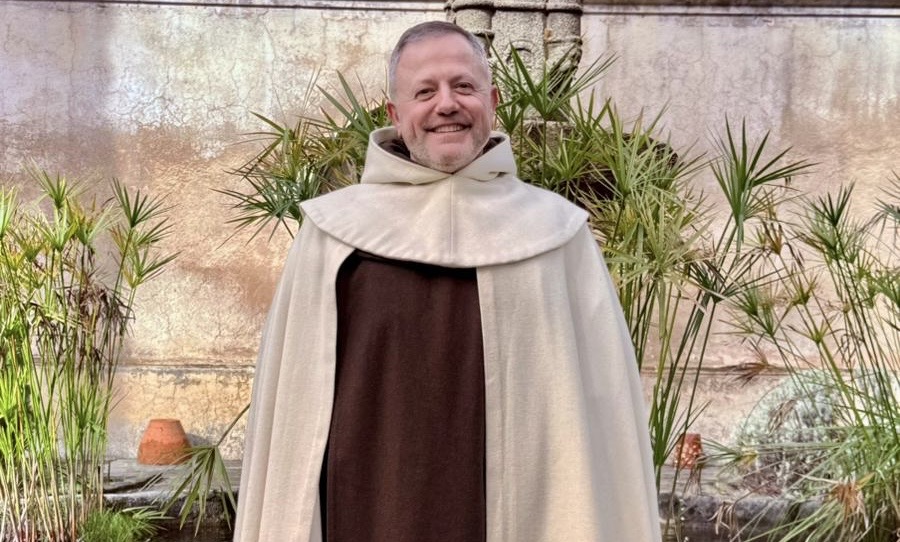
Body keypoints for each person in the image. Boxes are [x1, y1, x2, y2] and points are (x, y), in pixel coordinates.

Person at [233, 21, 661, 542]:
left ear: (492, 102)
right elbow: (293, 413)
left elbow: (601, 414)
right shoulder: (331, 234)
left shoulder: (557, 233)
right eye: (424, 91)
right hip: (368, 506)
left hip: (526, 512)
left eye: (463, 86)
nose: (447, 104)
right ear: (394, 114)